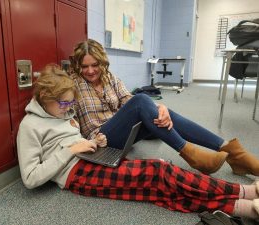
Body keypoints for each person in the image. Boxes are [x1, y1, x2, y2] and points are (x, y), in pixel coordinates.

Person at [16, 64, 259, 220]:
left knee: (160, 187)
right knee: (159, 173)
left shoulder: (63, 112)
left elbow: (74, 140)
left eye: (71, 104)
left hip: (89, 156)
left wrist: (92, 142)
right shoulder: (30, 126)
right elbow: (30, 179)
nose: (69, 109)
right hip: (74, 174)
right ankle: (243, 195)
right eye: (64, 104)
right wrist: (72, 149)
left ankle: (243, 202)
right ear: (44, 98)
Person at [70, 39, 259, 176]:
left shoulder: (109, 77)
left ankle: (234, 153)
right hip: (101, 140)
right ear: (78, 66)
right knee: (142, 99)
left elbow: (127, 100)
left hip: (122, 130)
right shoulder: (72, 84)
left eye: (95, 65)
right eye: (84, 66)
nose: (90, 71)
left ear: (102, 63)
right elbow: (63, 115)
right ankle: (193, 155)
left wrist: (160, 107)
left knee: (162, 112)